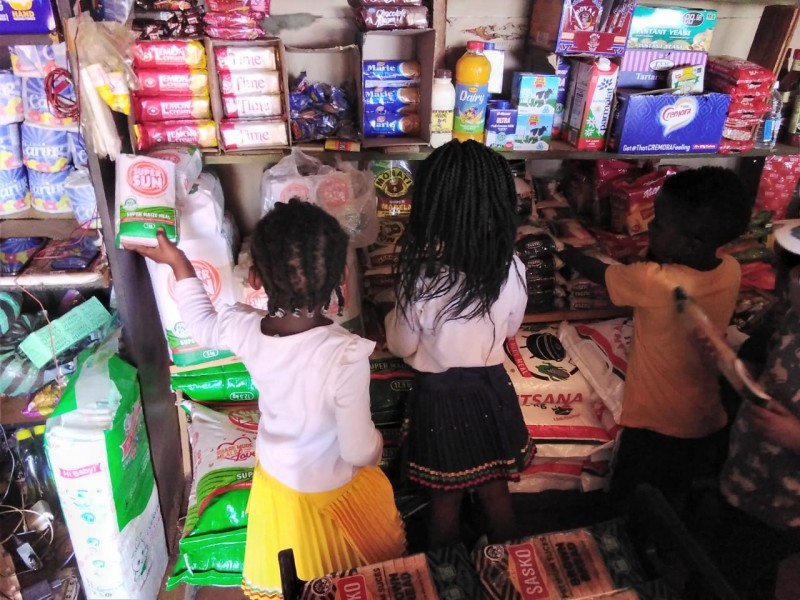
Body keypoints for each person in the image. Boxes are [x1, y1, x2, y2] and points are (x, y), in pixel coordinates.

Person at [124, 200, 406, 599]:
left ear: (255, 278)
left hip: (277, 485)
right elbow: (358, 450)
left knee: (296, 578)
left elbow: (202, 326)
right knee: (349, 578)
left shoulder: (244, 327)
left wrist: (179, 264)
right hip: (335, 495)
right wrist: (378, 450)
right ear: (342, 276)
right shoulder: (345, 354)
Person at [557, 166, 754, 517]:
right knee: (672, 500)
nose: (649, 226)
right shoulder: (731, 269)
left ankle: (626, 544)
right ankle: (668, 541)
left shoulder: (652, 281)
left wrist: (562, 249)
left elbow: (601, 273)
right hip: (706, 418)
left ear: (691, 242)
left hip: (654, 425)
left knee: (626, 503)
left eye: (659, 224)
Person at [384, 139, 535, 549]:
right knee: (495, 491)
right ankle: (511, 566)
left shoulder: (421, 278)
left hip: (440, 401)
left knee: (444, 499)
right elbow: (510, 328)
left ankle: (448, 573)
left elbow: (400, 344)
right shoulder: (512, 267)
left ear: (429, 206)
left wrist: (392, 320)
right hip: (490, 393)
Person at [712, 219, 800, 597]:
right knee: (730, 560)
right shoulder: (791, 318)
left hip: (785, 504)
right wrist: (731, 366)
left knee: (735, 576)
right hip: (744, 473)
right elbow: (764, 372)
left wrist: (794, 435)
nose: (792, 280)